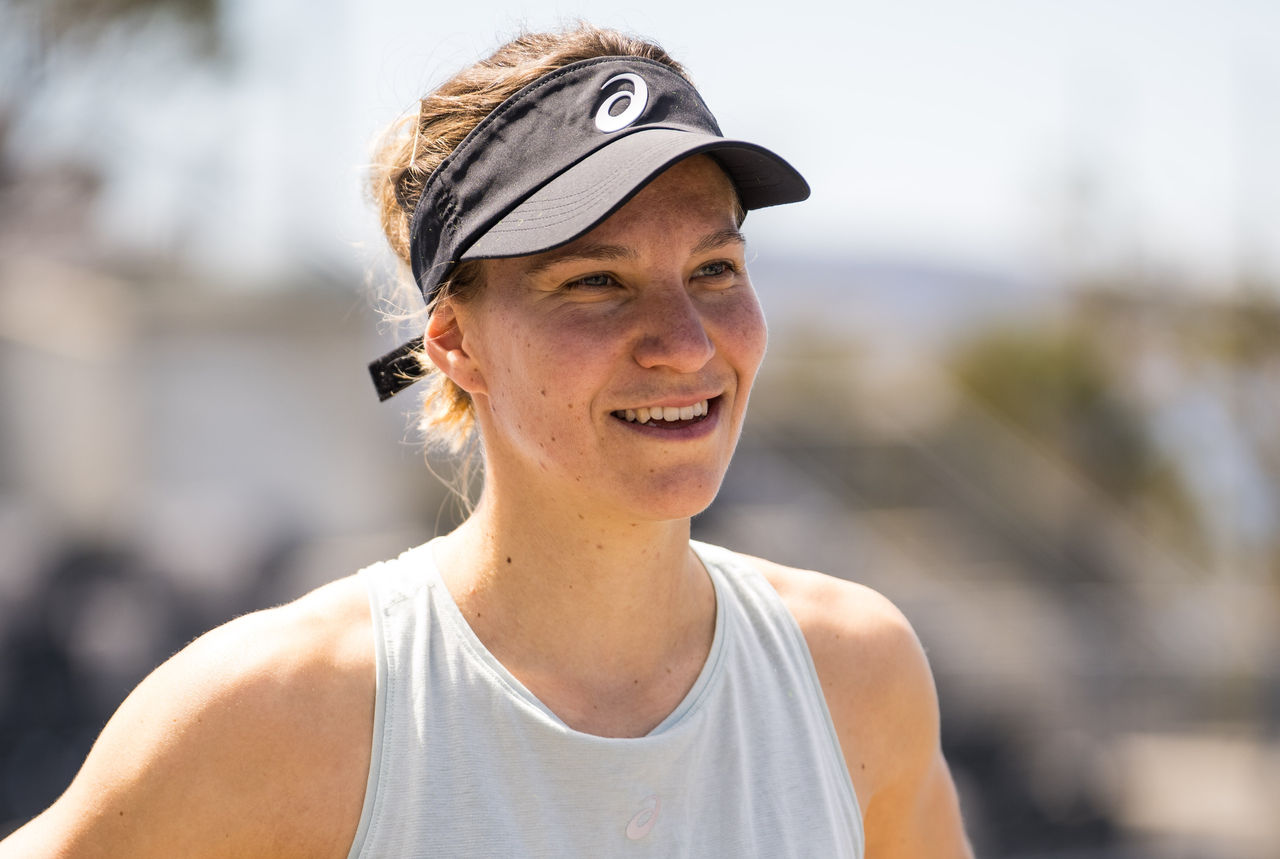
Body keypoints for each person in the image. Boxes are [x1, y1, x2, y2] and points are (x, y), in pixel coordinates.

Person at [1, 24, 972, 858]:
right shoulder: (280, 709)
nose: (685, 343)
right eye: (595, 281)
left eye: (715, 268)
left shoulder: (855, 676)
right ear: (454, 342)